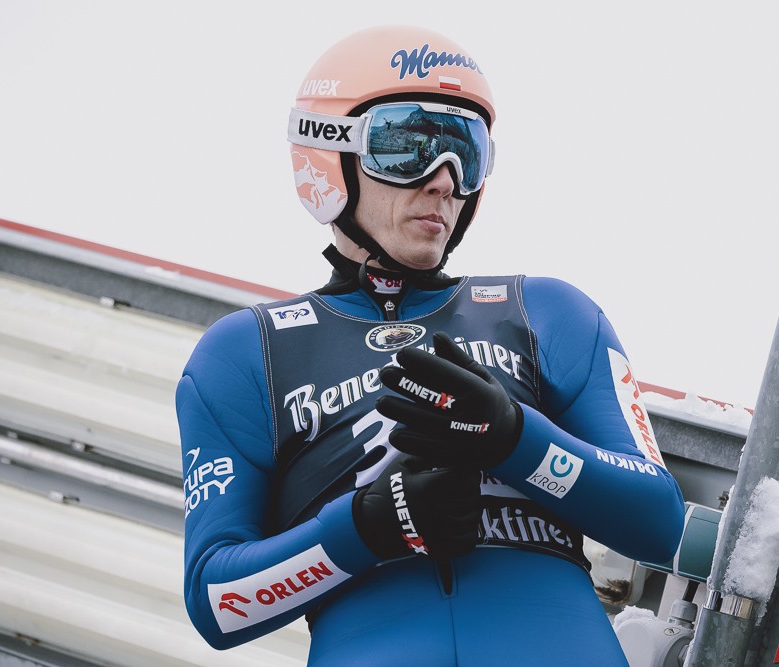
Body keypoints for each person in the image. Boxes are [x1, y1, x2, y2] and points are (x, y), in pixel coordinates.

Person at [176, 24, 686, 667]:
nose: (444, 181)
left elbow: (659, 523)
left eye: (465, 150)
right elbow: (218, 602)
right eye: (407, 145)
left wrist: (516, 440)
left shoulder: (549, 312)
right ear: (330, 154)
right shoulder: (246, 351)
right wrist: (367, 527)